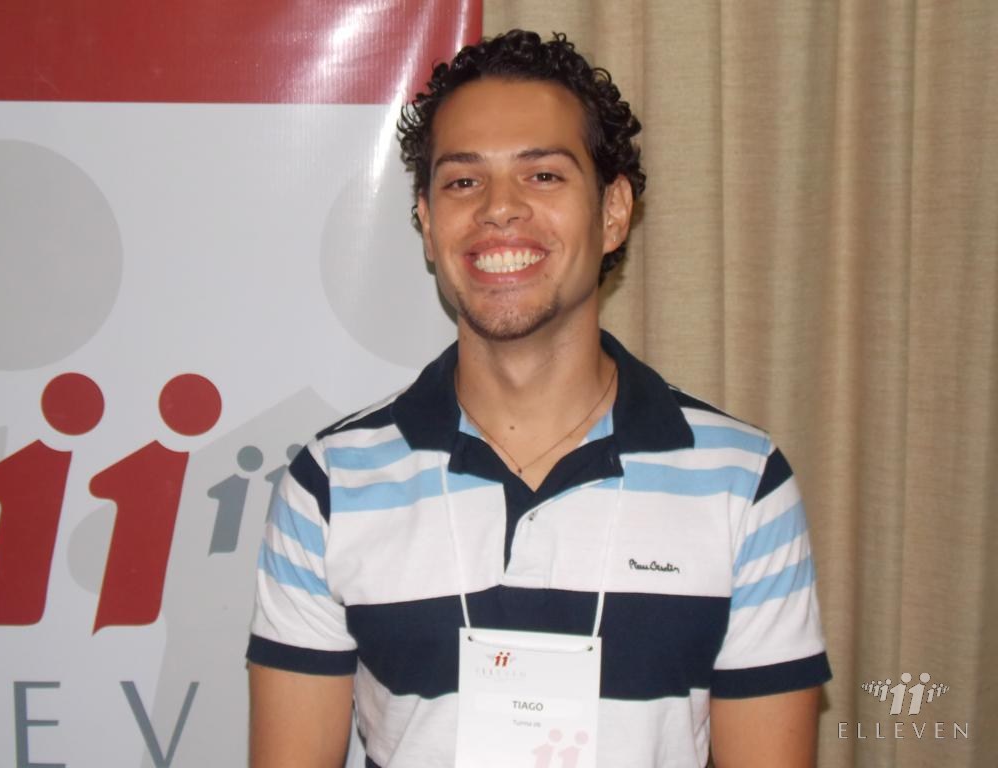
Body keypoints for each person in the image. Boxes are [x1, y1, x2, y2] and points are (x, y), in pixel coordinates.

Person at [247, 29, 831, 768]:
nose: (499, 209)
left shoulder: (742, 482)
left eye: (544, 175)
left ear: (613, 211)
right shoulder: (331, 484)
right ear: (426, 222)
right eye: (463, 182)